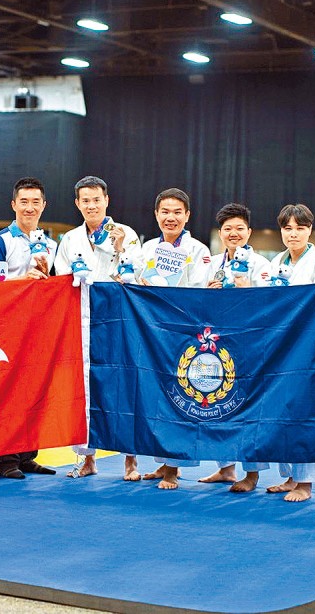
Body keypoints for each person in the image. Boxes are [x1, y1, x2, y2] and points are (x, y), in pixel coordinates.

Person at [54, 176, 143, 481]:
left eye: (96, 199)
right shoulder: (69, 240)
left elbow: (134, 277)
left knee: (123, 384)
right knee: (84, 387)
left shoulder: (126, 234)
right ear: (78, 204)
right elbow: (63, 280)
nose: (91, 205)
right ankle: (86, 458)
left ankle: (130, 460)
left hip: (118, 320)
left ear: (107, 200)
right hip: (83, 320)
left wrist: (119, 250)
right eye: (85, 200)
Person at [0, 177, 58, 479]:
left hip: (40, 329)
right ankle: (5, 458)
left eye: (35, 201)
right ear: (13, 205)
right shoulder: (0, 242)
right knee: (8, 392)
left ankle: (27, 454)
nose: (29, 207)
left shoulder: (51, 244)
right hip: (8, 329)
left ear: (43, 205)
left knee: (34, 392)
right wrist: (22, 282)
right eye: (23, 202)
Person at [137, 187, 211, 490]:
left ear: (187, 216)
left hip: (183, 333)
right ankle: (161, 462)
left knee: (179, 400)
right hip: (152, 333)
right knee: (155, 398)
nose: (171, 217)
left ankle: (173, 468)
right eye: (165, 211)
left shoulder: (199, 251)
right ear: (156, 215)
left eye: (177, 212)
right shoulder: (146, 249)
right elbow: (134, 283)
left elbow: (199, 291)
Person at [198, 203, 273, 493]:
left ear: (249, 232)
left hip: (249, 343)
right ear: (221, 233)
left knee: (248, 409)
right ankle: (225, 467)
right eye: (228, 228)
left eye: (239, 228)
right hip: (218, 344)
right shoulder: (212, 263)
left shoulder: (261, 266)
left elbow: (269, 304)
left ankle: (252, 474)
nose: (234, 233)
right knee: (217, 404)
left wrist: (245, 288)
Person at [266, 203, 315, 501]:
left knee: (304, 411)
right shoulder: (274, 264)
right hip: (279, 349)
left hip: (307, 350)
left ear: (310, 230)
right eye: (288, 228)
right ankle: (290, 477)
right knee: (281, 411)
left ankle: (306, 482)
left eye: (300, 228)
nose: (293, 234)